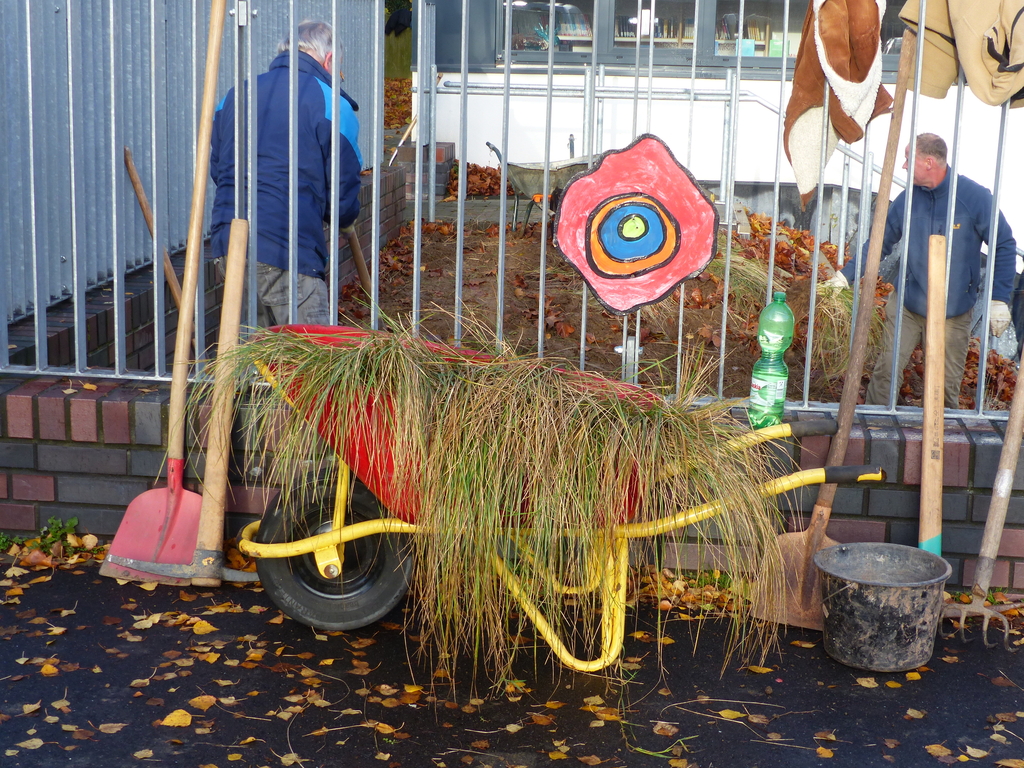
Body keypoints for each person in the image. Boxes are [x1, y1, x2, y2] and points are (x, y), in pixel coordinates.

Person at [826, 133, 1017, 409]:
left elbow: (1004, 244)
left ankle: (941, 433)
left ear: (929, 162)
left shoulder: (974, 198)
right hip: (909, 303)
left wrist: (999, 298)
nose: (903, 166)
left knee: (944, 387)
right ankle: (875, 425)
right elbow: (880, 243)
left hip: (952, 311)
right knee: (886, 371)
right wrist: (846, 275)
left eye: (908, 159)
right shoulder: (907, 200)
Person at [209, 20, 362, 326]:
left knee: (255, 350)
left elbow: (219, 169)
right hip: (289, 251)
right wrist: (343, 219)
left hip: (230, 245)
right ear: (329, 59)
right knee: (309, 352)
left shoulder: (235, 94)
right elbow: (341, 196)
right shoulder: (332, 104)